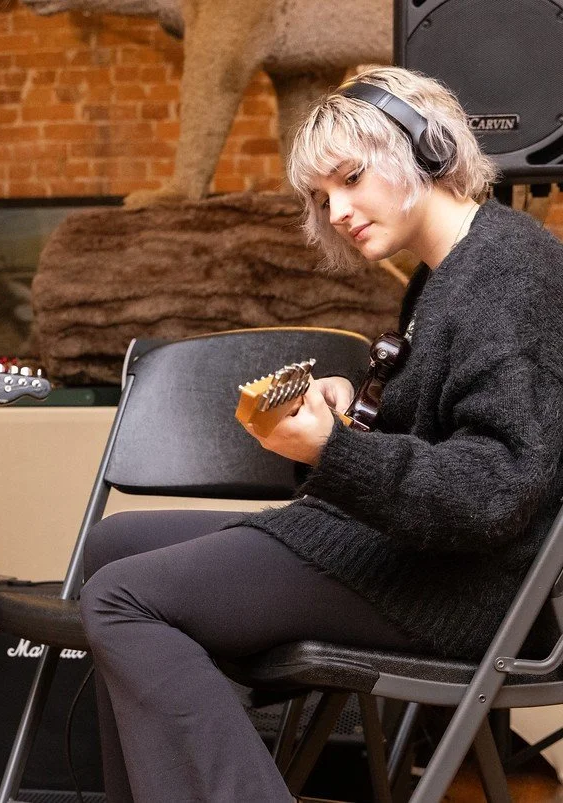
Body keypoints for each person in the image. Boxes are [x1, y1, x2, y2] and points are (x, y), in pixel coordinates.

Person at [78, 65, 563, 802]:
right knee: (109, 547)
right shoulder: (450, 273)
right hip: (411, 555)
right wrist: (355, 410)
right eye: (321, 196)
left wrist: (332, 451)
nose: (336, 210)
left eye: (350, 178)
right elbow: (433, 433)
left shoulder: (510, 272)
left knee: (122, 596)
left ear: (427, 150)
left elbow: (493, 489)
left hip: (457, 588)